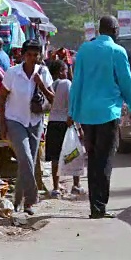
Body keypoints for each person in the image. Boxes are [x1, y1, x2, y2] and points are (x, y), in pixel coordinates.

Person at [69, 15, 131, 219]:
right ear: (115, 30)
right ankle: (100, 206)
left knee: (93, 160)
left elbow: (77, 82)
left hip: (87, 114)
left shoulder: (84, 50)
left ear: (99, 30)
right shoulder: (117, 51)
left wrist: (72, 112)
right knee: (105, 159)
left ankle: (94, 206)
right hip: (108, 113)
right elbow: (126, 81)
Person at [0, 39, 53, 215]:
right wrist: (2, 124)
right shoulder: (12, 73)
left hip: (35, 121)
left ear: (39, 56)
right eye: (29, 55)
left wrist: (41, 85)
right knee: (25, 157)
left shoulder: (43, 72)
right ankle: (32, 197)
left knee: (26, 163)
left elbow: (53, 99)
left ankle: (19, 202)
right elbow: (2, 99)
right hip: (15, 120)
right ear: (23, 55)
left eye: (35, 55)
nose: (32, 58)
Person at [45, 59, 85, 197]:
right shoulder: (66, 84)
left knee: (55, 157)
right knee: (73, 153)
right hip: (66, 123)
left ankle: (55, 188)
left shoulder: (50, 85)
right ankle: (76, 185)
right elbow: (72, 105)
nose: (68, 73)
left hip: (52, 123)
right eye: (66, 70)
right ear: (61, 71)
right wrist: (79, 127)